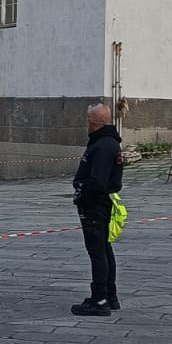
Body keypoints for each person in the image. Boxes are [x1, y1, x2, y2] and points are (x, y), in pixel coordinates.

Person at [71, 104, 124, 317]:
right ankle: (110, 296)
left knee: (98, 252)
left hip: (95, 206)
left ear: (93, 123)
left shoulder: (102, 146)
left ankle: (100, 299)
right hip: (102, 204)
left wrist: (82, 194)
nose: (87, 124)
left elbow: (98, 181)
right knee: (104, 249)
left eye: (88, 120)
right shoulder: (109, 143)